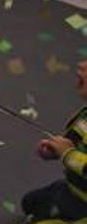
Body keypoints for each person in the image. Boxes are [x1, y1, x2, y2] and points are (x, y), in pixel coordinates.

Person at [21, 60, 87, 221]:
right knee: (30, 202)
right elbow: (77, 135)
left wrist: (67, 153)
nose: (81, 65)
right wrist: (56, 147)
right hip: (72, 187)